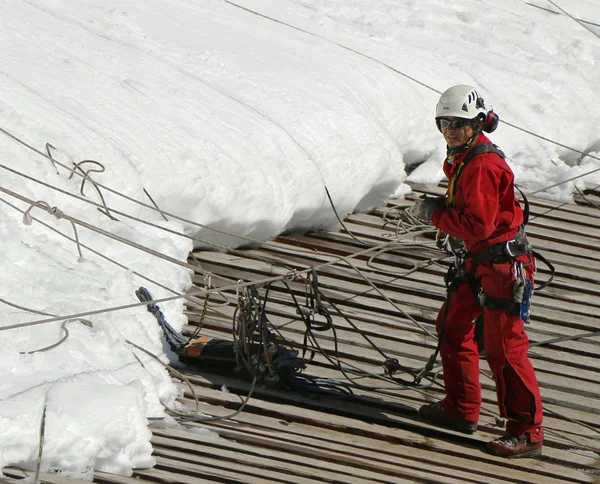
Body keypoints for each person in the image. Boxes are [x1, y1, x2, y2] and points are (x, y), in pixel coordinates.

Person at [408, 85, 544, 458]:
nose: (450, 129)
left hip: (502, 265)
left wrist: (434, 213)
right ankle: (461, 408)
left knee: (504, 348)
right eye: (444, 122)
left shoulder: (481, 164)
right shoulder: (464, 155)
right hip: (480, 260)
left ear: (477, 122)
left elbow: (479, 225)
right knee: (452, 325)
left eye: (458, 123)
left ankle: (527, 431)